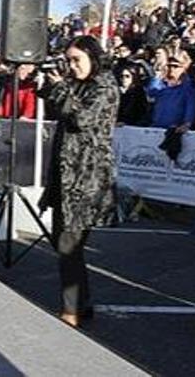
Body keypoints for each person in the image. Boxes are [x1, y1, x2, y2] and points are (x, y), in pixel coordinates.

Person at [39, 35, 119, 328]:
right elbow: (52, 104)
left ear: (93, 57)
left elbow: (82, 118)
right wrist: (48, 83)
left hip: (88, 177)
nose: (72, 67)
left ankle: (71, 310)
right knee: (66, 243)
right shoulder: (76, 85)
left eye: (77, 60)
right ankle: (81, 303)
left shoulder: (105, 85)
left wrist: (60, 87)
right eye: (69, 61)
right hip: (67, 174)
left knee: (68, 243)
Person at [147, 51, 195, 132]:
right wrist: (158, 75)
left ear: (184, 69)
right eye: (169, 66)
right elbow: (151, 93)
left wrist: (187, 123)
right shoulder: (162, 85)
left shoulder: (188, 88)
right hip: (156, 128)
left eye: (175, 66)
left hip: (174, 131)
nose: (171, 69)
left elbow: (190, 108)